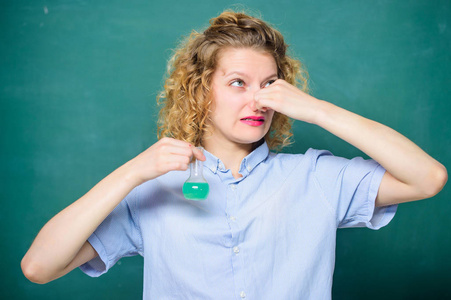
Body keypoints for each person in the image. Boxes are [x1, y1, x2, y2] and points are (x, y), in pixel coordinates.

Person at [21, 10, 447, 299]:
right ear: (200, 90)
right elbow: (38, 266)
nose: (259, 100)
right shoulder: (154, 190)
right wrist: (131, 174)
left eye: (270, 84)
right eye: (239, 83)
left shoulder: (316, 177)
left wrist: (316, 109)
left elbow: (428, 178)